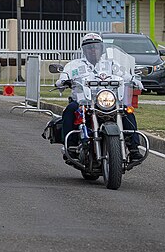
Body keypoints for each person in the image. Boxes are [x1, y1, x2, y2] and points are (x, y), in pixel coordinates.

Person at [57, 33, 143, 162]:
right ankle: (71, 146)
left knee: (127, 110)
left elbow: (124, 74)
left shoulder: (111, 64)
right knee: (70, 109)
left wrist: (134, 80)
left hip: (107, 101)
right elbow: (63, 77)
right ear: (84, 50)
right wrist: (63, 81)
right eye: (89, 47)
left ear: (101, 48)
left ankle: (134, 148)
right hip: (83, 102)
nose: (93, 50)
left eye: (96, 47)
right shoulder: (73, 65)